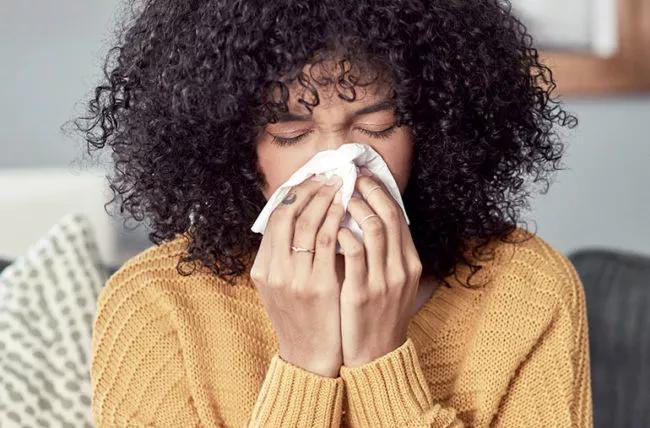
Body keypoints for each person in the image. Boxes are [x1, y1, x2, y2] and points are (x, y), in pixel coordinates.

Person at [74, 0, 593, 426]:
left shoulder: (526, 287)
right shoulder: (157, 305)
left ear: (433, 126)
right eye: (290, 133)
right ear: (232, 143)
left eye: (378, 124)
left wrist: (380, 363)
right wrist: (304, 366)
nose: (338, 162)